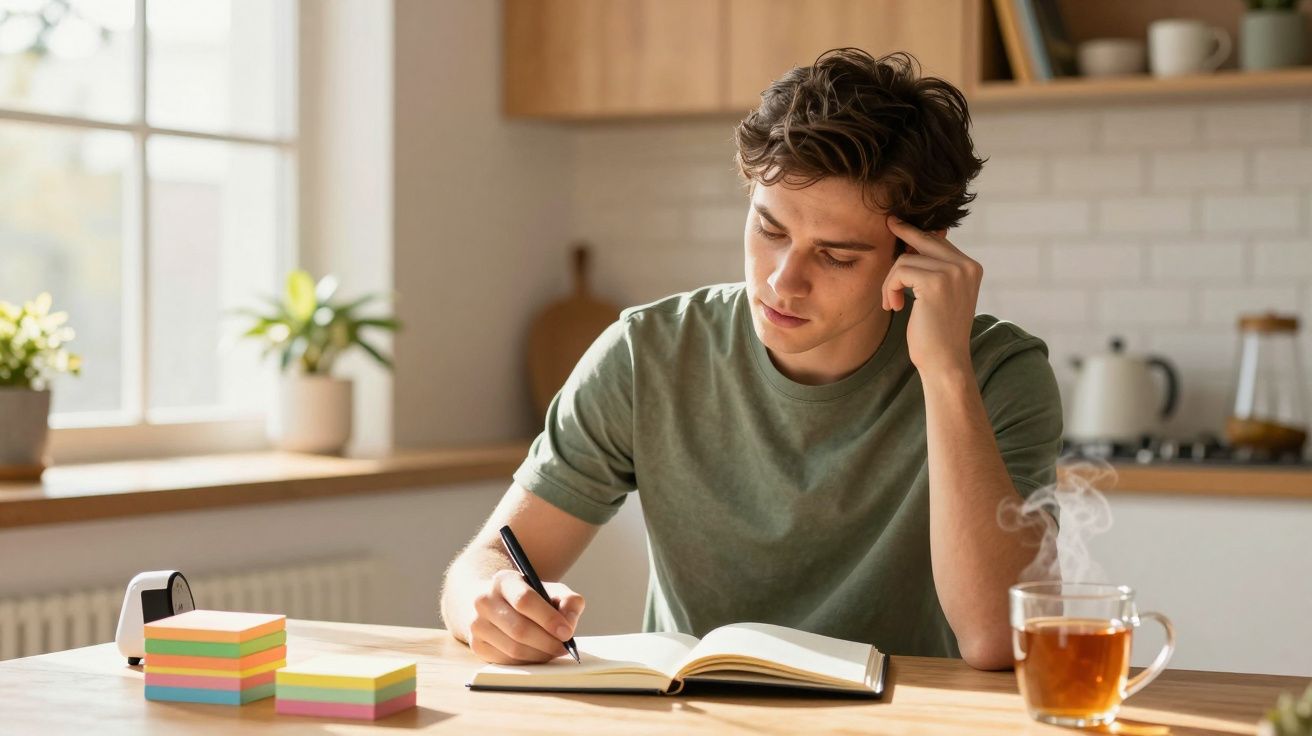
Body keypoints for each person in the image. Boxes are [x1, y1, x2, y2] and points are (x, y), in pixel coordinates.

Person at [439, 48, 1062, 671]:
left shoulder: (996, 373)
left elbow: (998, 640)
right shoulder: (649, 353)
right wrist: (486, 602)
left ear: (920, 253)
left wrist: (945, 370)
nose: (783, 282)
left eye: (836, 256)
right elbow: (487, 564)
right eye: (769, 230)